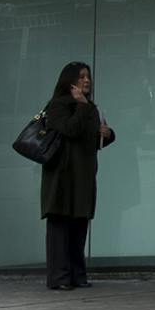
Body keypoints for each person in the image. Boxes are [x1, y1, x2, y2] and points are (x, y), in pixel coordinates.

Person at [40, 61, 115, 290]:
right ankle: (59, 277)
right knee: (60, 224)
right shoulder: (58, 105)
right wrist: (81, 106)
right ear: (70, 81)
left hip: (84, 173)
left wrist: (108, 134)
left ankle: (77, 275)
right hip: (62, 175)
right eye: (81, 76)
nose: (86, 80)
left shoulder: (90, 107)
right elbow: (70, 130)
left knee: (80, 224)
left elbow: (91, 138)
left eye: (88, 76)